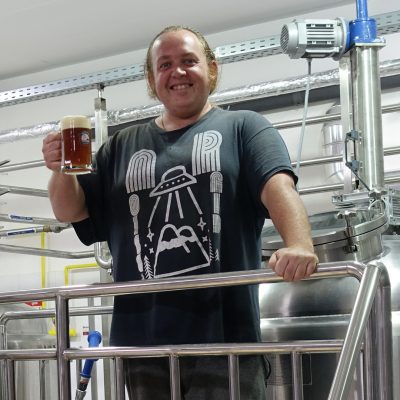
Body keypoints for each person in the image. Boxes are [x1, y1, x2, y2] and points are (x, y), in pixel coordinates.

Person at [42, 25, 318, 400]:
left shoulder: (245, 128)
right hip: (141, 346)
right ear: (152, 79)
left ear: (212, 69)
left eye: (189, 61)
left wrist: (299, 244)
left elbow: (278, 186)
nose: (178, 72)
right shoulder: (121, 146)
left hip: (225, 341)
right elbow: (71, 211)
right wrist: (60, 168)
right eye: (165, 64)